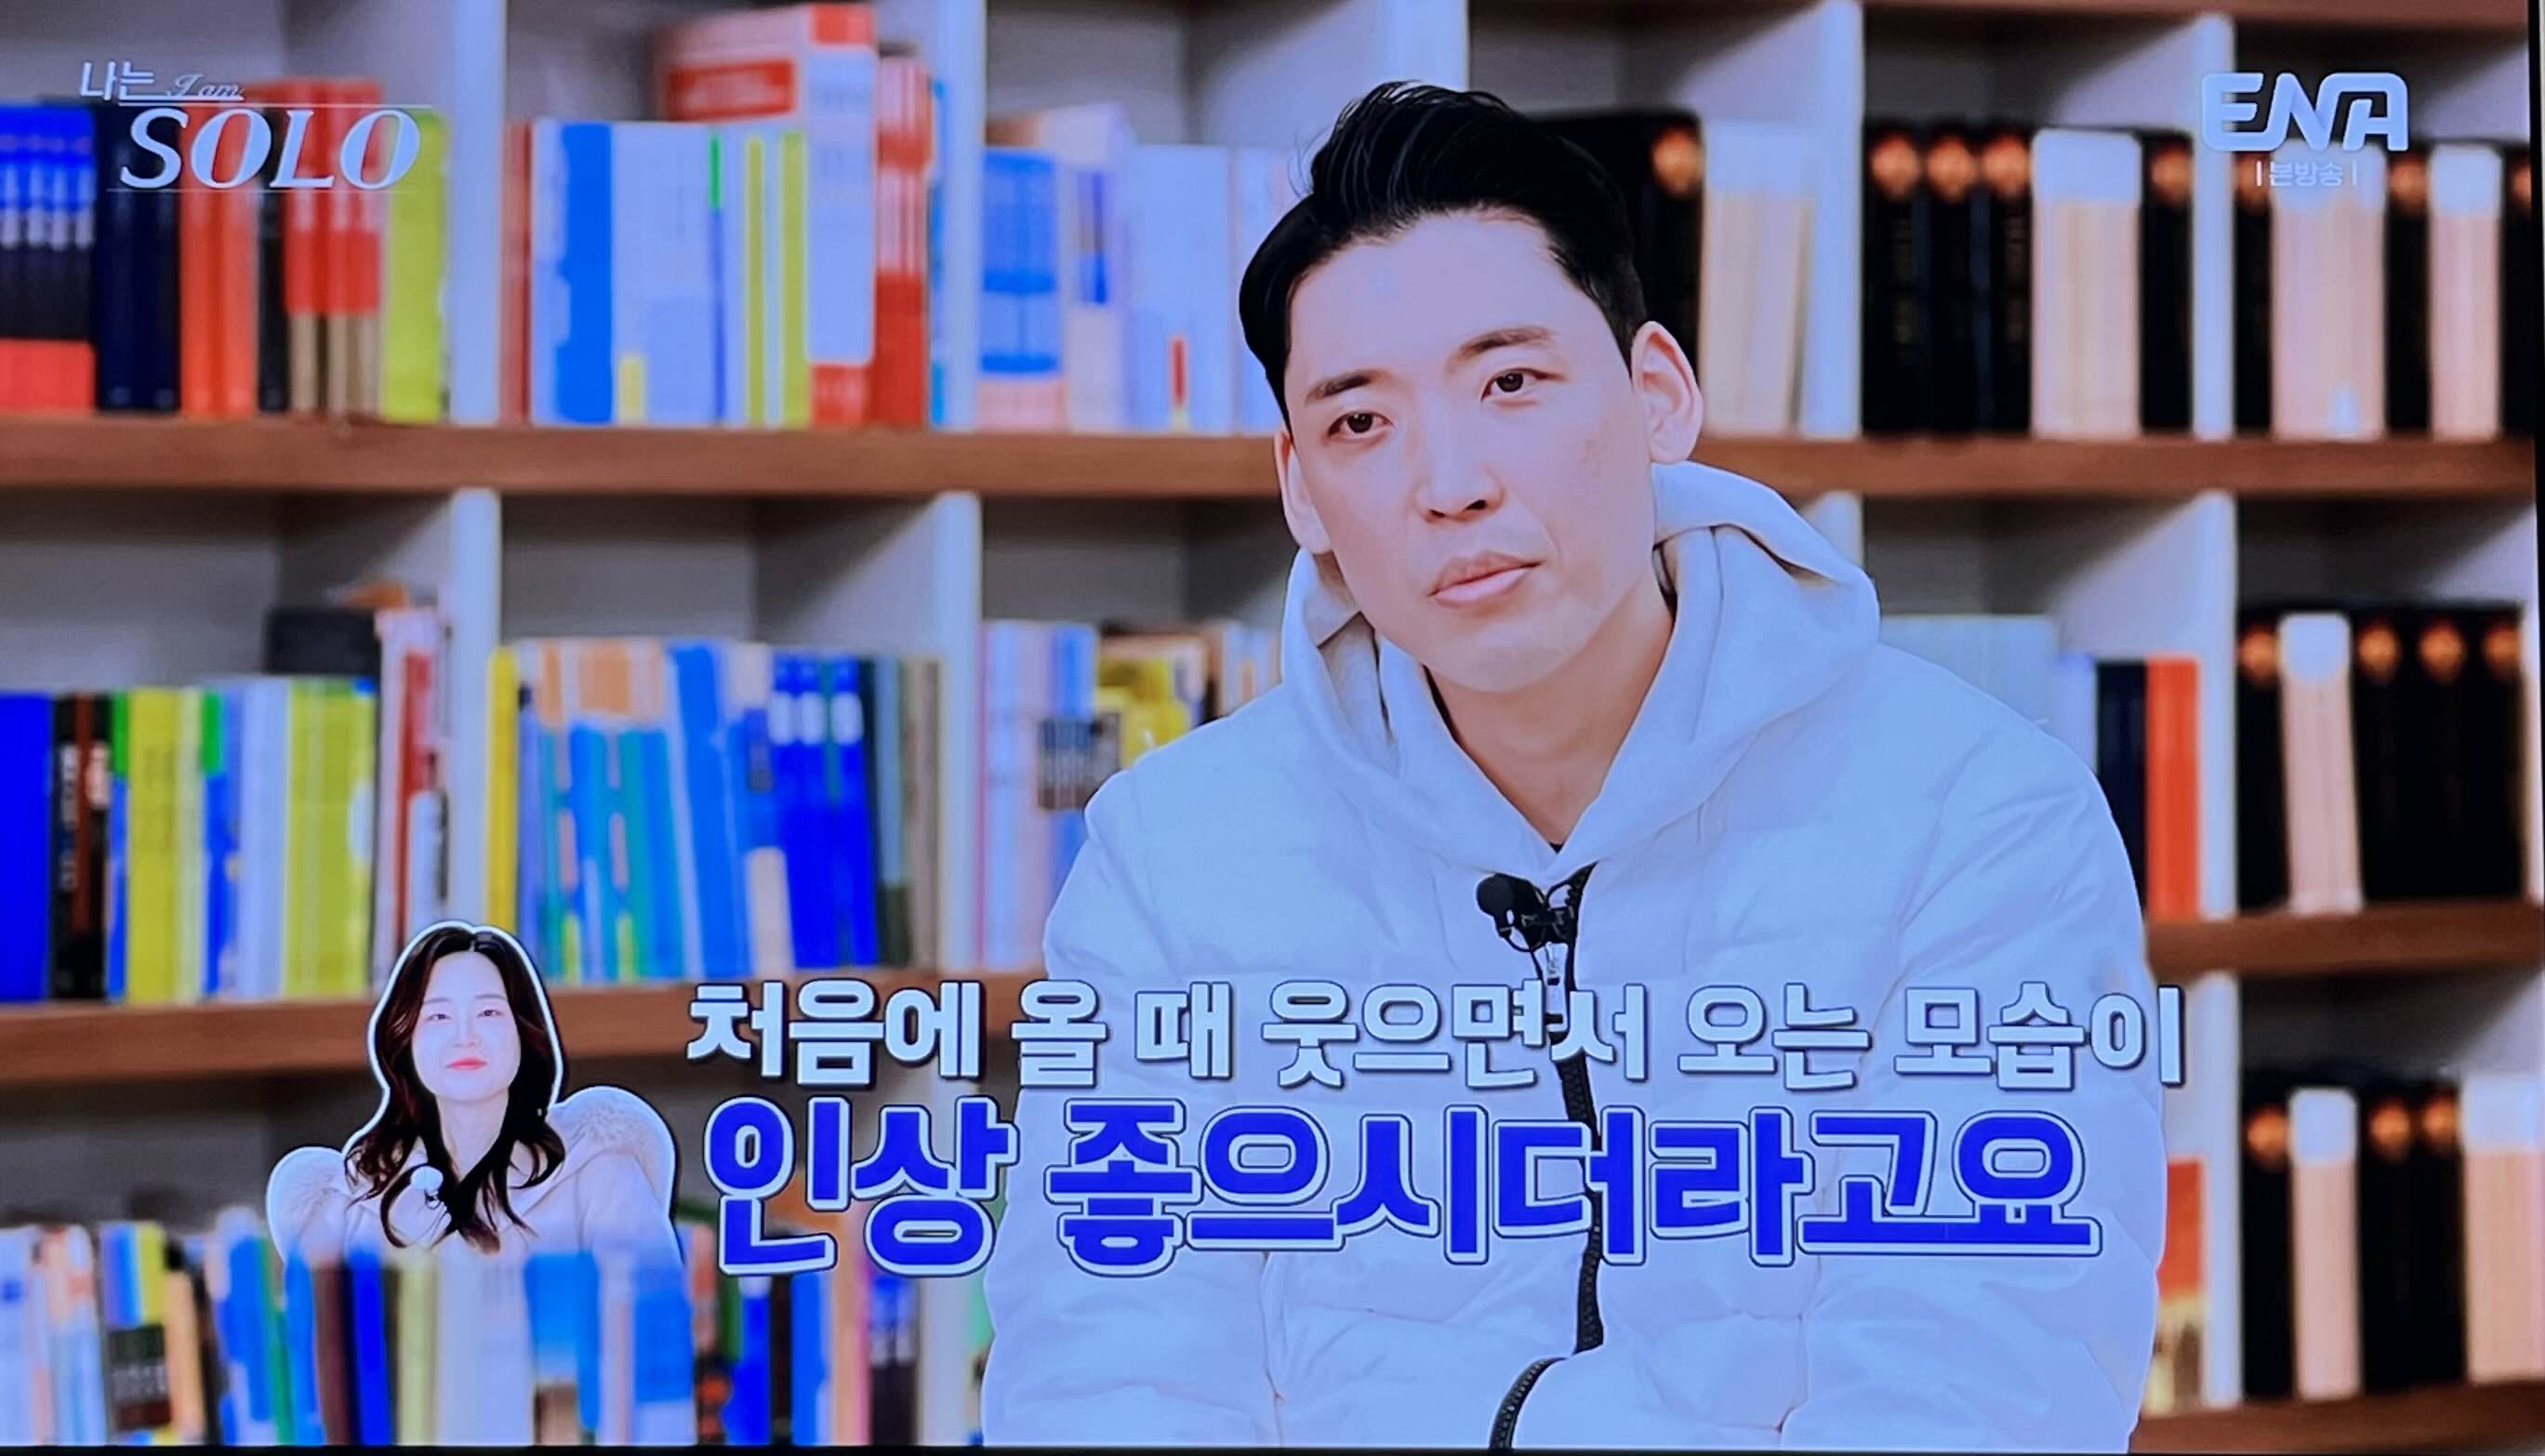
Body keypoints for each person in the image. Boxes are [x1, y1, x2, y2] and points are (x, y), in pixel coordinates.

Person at [980, 81, 2164, 1450]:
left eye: (1510, 383)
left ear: (1658, 394)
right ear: (1301, 487)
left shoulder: (1978, 819)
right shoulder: (1173, 855)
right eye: (1360, 423)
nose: (1451, 483)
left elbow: (1974, 1397)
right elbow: (1106, 1380)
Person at [267, 922, 680, 1266]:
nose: (465, 1036)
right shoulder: (351, 1203)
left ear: (524, 1032)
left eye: (488, 1012)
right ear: (404, 1039)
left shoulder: (599, 1174)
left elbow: (656, 1329)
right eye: (438, 1016)